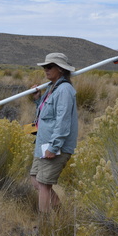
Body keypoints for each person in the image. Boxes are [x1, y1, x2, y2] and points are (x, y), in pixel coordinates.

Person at [30, 53, 78, 215]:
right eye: (44, 66)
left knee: (44, 185)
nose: (45, 69)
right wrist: (38, 99)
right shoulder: (52, 87)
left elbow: (63, 121)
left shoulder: (64, 90)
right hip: (44, 144)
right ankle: (60, 214)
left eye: (49, 66)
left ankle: (44, 227)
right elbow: (47, 114)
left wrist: (54, 146)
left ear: (61, 69)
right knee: (35, 180)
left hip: (55, 146)